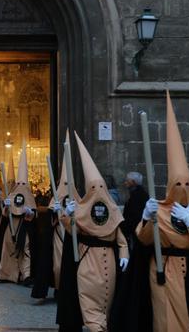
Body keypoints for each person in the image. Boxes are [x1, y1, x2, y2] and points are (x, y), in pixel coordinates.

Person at [116, 92, 189, 332]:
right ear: (170, 188)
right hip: (161, 271)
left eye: (187, 185)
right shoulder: (159, 209)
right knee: (164, 320)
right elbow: (144, 239)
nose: (182, 189)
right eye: (177, 185)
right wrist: (147, 218)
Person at [57, 132, 129, 332]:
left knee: (107, 304)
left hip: (110, 266)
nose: (97, 189)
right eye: (93, 187)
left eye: (101, 186)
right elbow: (72, 230)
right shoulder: (80, 209)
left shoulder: (113, 211)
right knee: (89, 305)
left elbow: (121, 239)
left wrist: (124, 255)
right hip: (88, 263)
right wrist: (66, 214)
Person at [32, 131, 71, 300]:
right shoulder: (55, 199)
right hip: (57, 235)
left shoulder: (75, 197)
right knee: (56, 265)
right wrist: (53, 212)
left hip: (71, 235)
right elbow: (48, 219)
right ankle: (57, 287)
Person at [0, 143, 37, 285]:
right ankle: (7, 274)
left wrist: (30, 212)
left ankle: (26, 274)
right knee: (8, 249)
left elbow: (34, 214)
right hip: (11, 227)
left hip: (24, 227)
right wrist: (5, 206)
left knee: (26, 250)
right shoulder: (11, 195)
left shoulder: (29, 196)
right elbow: (5, 213)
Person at [120, 171, 148, 247]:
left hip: (135, 229)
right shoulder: (137, 194)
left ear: (133, 182)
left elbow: (134, 215)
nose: (125, 183)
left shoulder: (137, 196)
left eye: (127, 181)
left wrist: (125, 227)